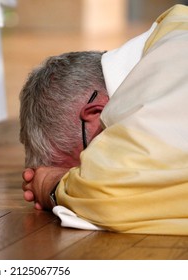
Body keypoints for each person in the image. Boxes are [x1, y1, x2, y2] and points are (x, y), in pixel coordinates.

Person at [19, 4, 188, 235]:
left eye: (81, 163)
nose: (79, 175)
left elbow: (114, 193)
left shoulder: (166, 65)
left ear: (94, 112)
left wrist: (52, 186)